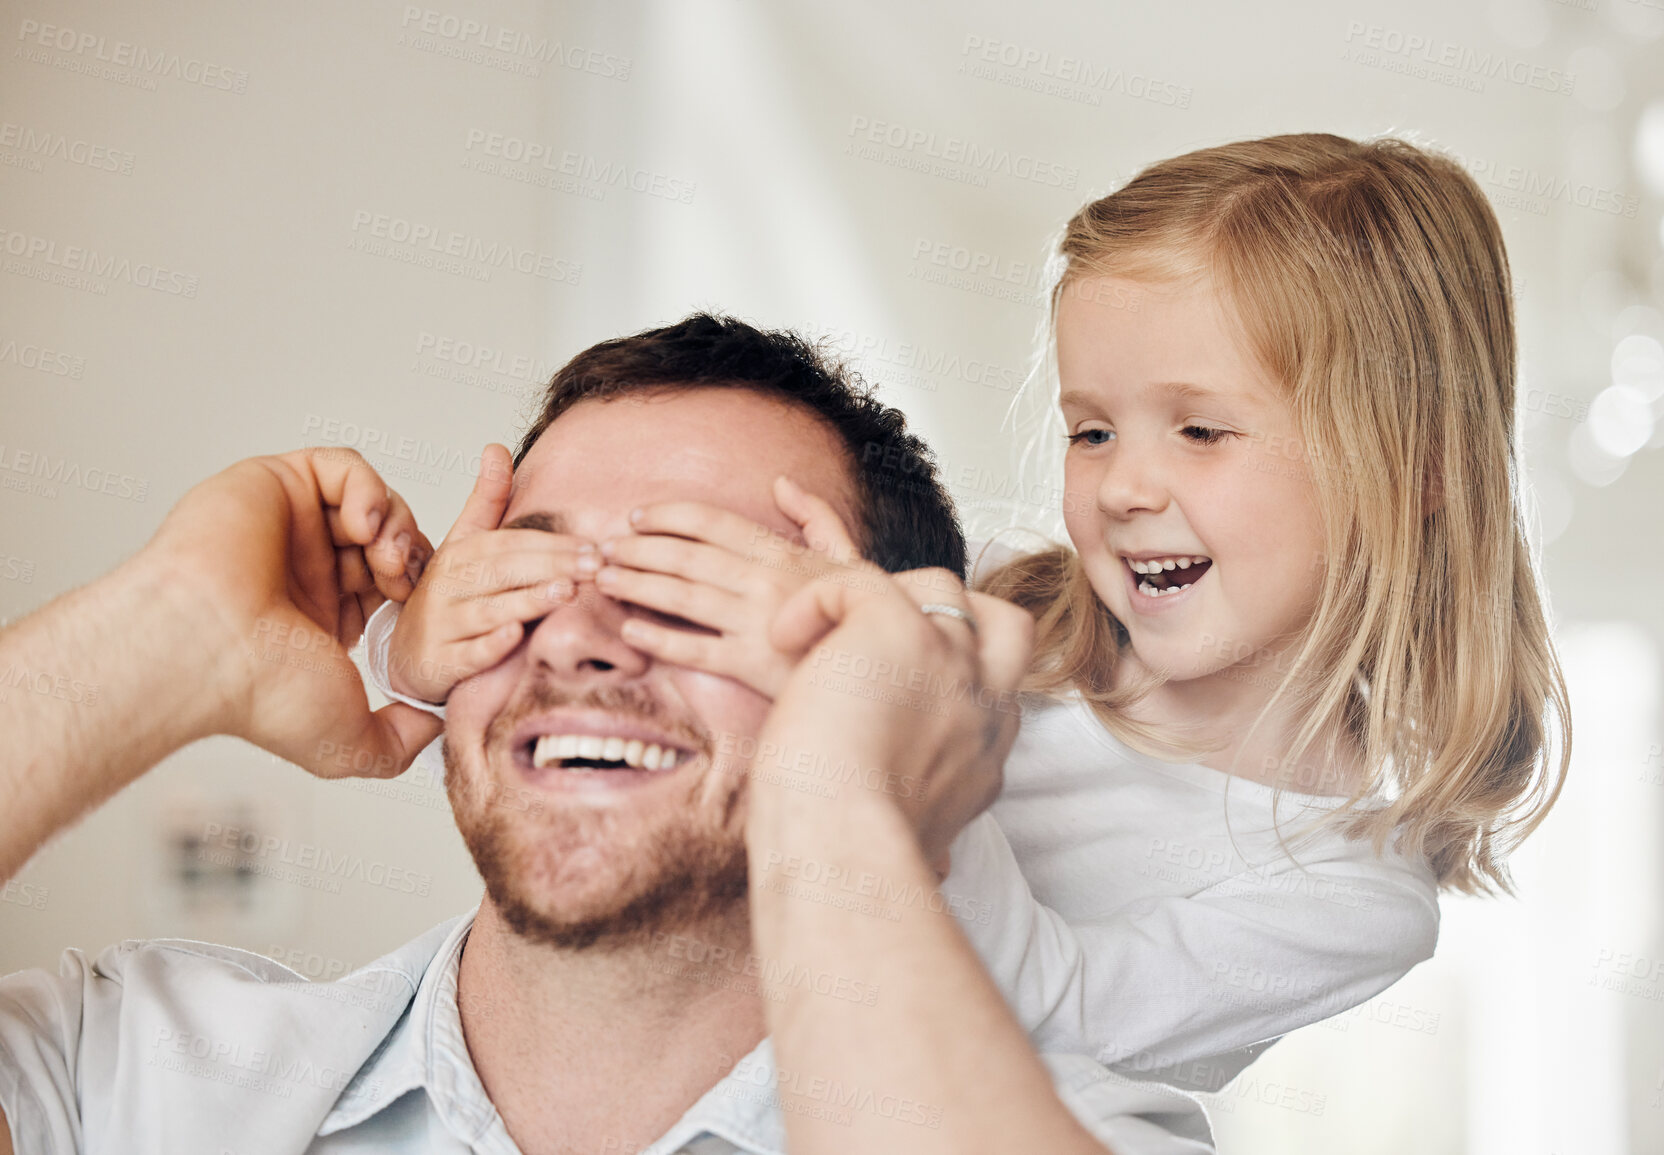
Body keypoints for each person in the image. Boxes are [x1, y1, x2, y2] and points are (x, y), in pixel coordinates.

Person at [372, 135, 1570, 1092]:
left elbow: (1042, 1011)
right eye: (1091, 429)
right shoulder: (998, 592)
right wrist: (413, 650)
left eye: (1200, 430)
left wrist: (875, 715)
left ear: (1411, 465)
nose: (1124, 484)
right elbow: (626, 677)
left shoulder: (1349, 898)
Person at [0, 317, 1214, 1153]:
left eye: (695, 585)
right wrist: (171, 634)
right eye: (526, 568)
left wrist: (846, 798)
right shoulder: (130, 1082)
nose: (577, 636)